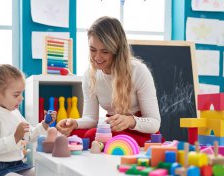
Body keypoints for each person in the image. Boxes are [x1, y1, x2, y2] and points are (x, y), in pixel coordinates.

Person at [56, 16, 162, 147]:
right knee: (73, 135)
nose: (97, 57)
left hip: (142, 133)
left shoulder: (138, 71)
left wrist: (129, 121)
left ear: (117, 50)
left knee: (91, 136)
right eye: (93, 49)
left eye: (105, 51)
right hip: (113, 130)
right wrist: (75, 123)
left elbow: (154, 123)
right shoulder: (90, 76)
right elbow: (91, 119)